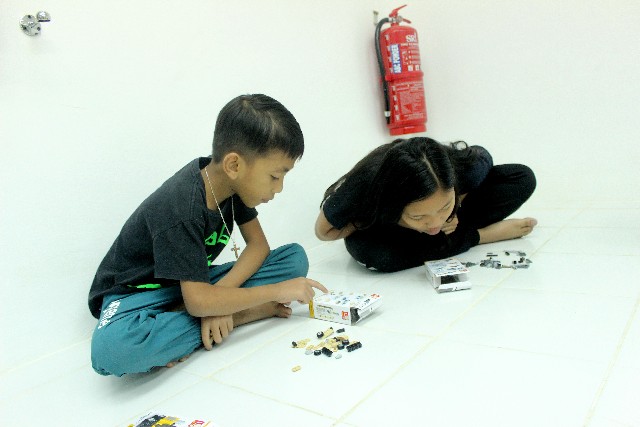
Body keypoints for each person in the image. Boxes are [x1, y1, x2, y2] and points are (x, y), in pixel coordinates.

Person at [89, 94, 327, 376]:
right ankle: (240, 315)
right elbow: (199, 301)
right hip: (136, 296)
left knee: (294, 259)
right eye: (275, 176)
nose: (279, 188)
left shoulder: (231, 185)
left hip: (192, 284)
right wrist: (277, 292)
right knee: (112, 350)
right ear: (234, 165)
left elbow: (258, 247)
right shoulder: (182, 206)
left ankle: (197, 321)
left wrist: (219, 298)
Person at [315, 137, 537, 272]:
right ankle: (480, 235)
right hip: (389, 228)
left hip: (452, 208)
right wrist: (371, 218)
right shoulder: (364, 185)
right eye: (418, 216)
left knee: (522, 178)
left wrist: (455, 209)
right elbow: (323, 232)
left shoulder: (462, 168)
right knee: (373, 255)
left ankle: (438, 213)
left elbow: (483, 154)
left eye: (443, 207)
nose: (435, 225)